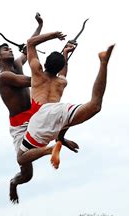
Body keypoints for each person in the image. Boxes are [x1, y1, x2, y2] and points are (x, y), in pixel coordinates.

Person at [0, 13, 79, 204]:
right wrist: (51, 72)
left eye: (10, 48)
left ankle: (57, 143)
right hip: (19, 125)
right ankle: (13, 183)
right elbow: (36, 80)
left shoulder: (16, 64)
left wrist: (40, 25)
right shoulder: (4, 77)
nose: (10, 50)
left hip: (35, 114)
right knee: (26, 174)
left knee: (50, 115)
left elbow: (30, 46)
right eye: (6, 49)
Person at [16, 30, 115, 170]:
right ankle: (103, 62)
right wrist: (65, 54)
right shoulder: (61, 82)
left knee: (21, 158)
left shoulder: (37, 72)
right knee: (95, 105)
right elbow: (63, 71)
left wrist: (54, 35)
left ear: (44, 63)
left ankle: (49, 150)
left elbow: (30, 43)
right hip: (60, 111)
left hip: (41, 115)